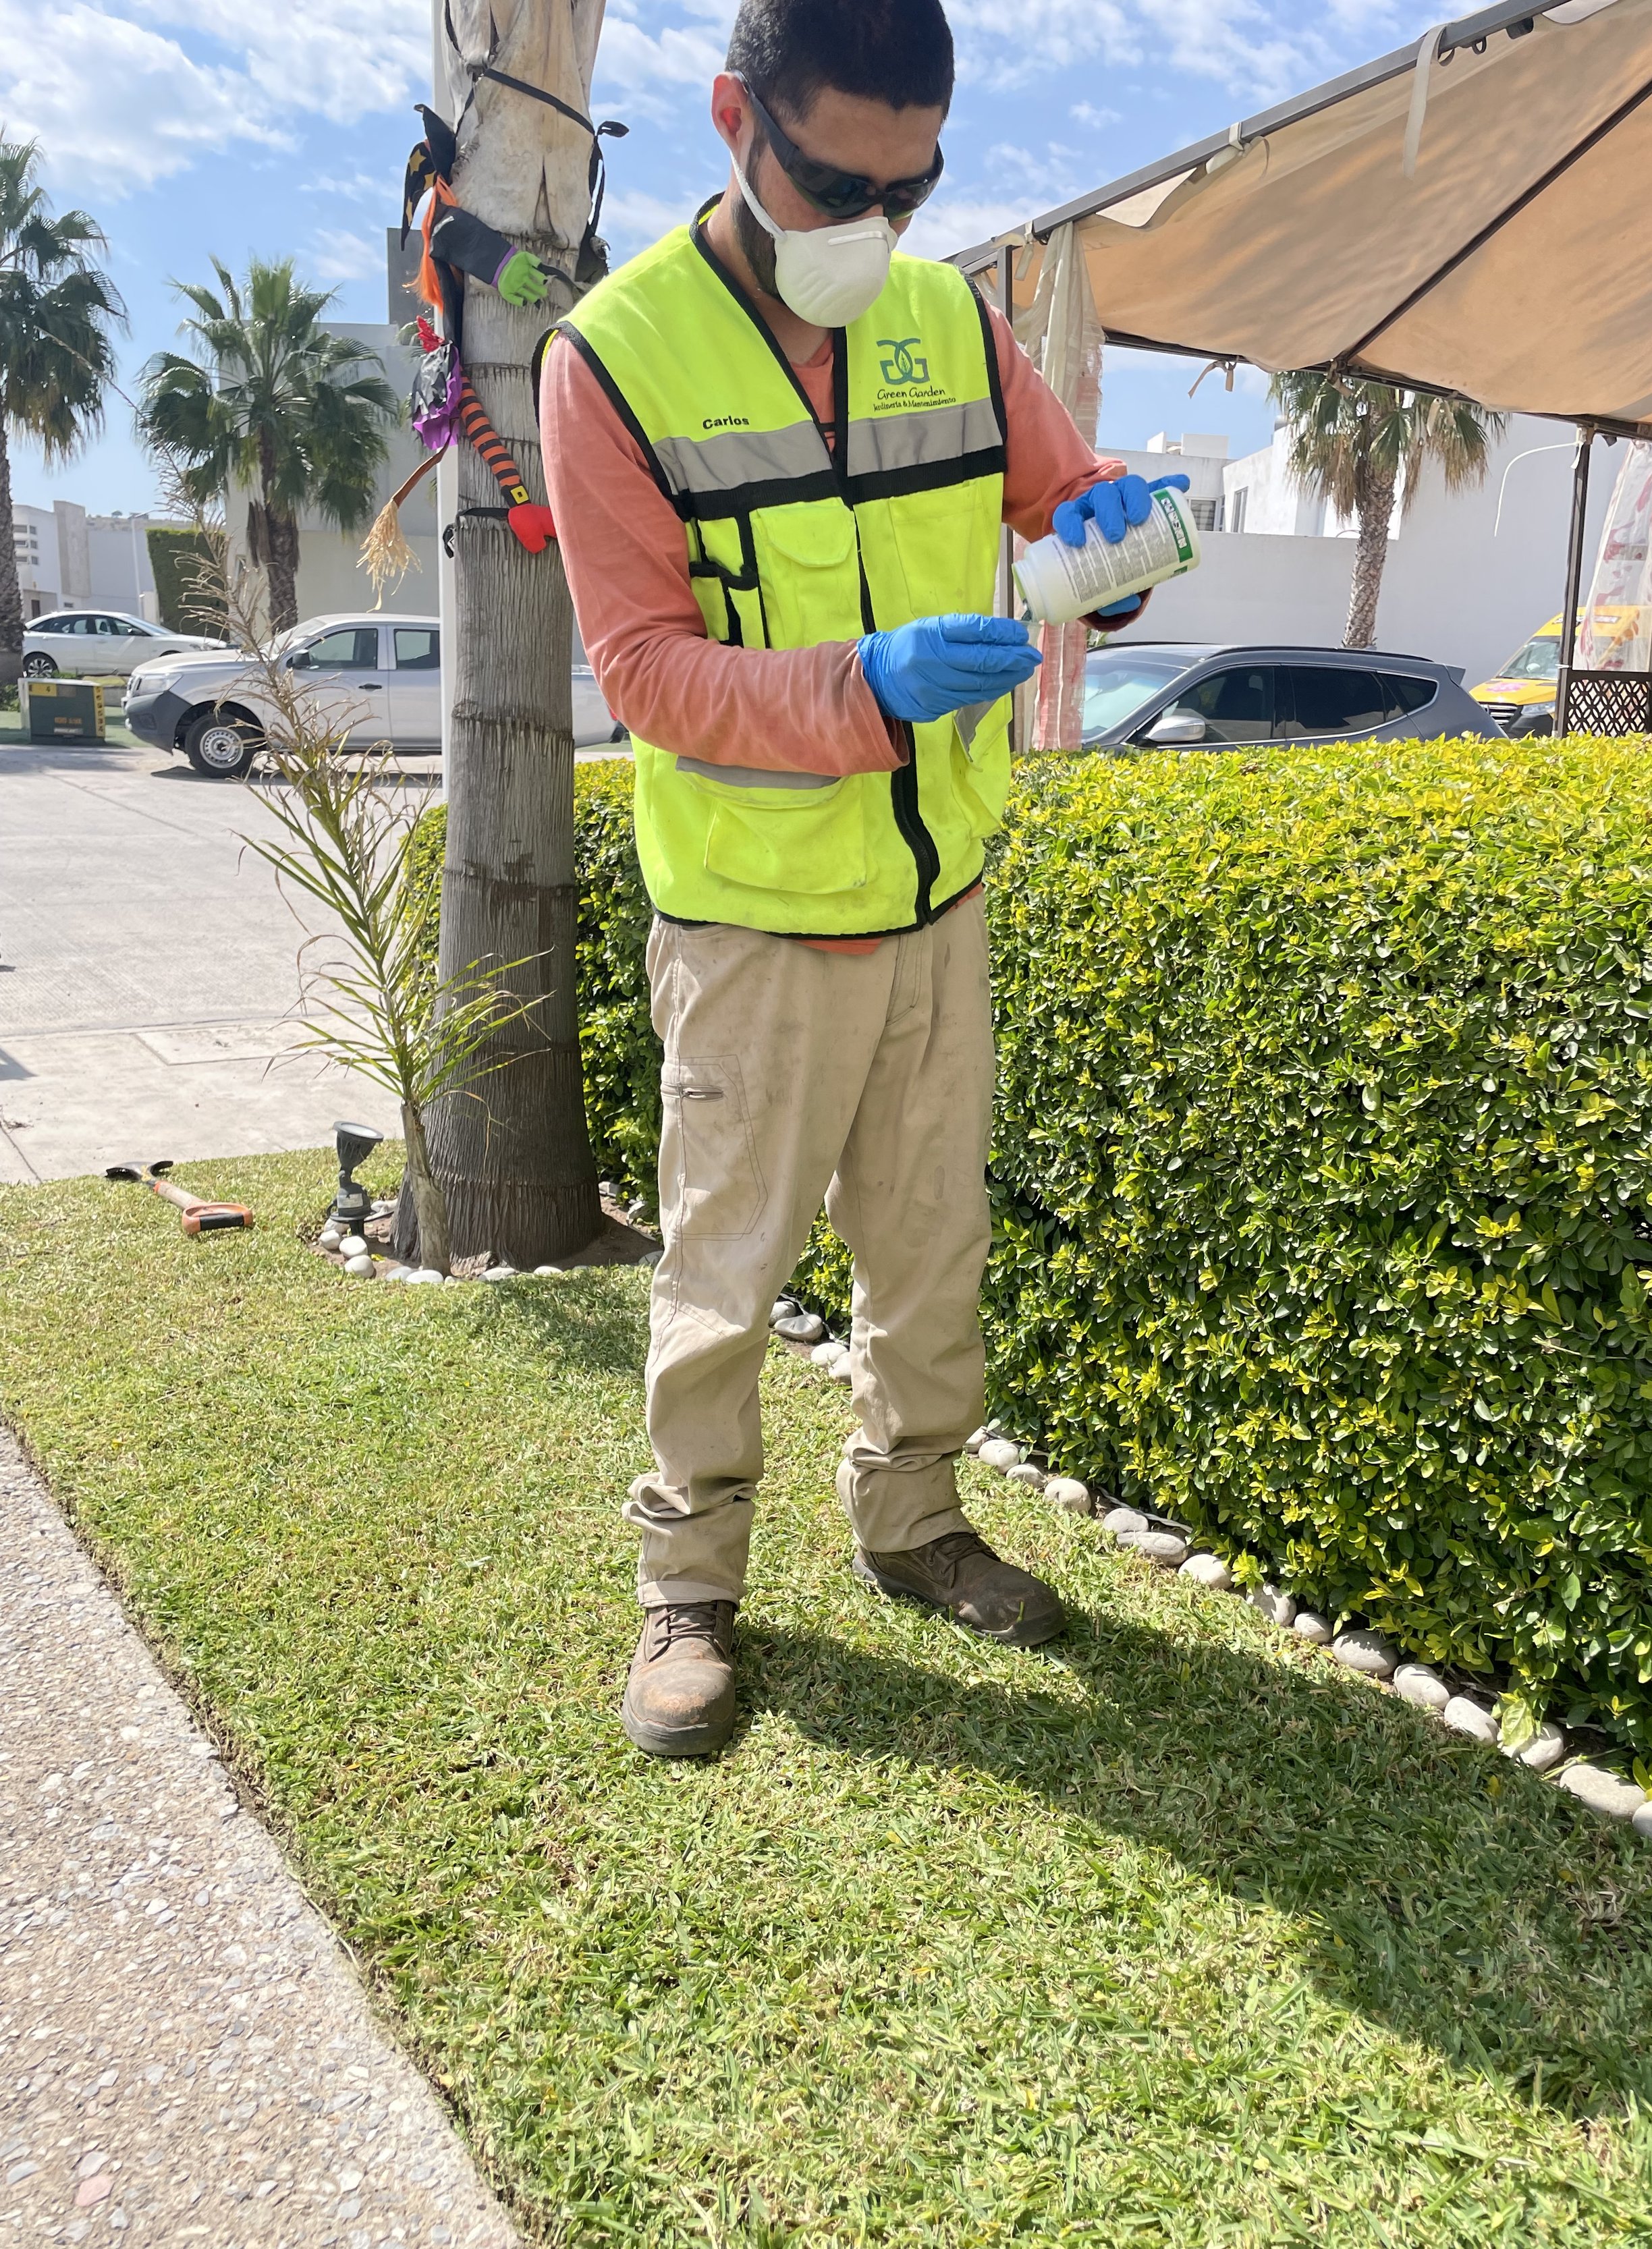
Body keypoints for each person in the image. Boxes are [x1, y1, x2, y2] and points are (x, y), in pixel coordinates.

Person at [539, 0, 1179, 1759]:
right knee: (722, 1273)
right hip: (747, 919)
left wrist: (1114, 549)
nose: (866, 226)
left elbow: (1071, 504)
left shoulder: (947, 318)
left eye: (909, 187)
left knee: (928, 1251)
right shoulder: (612, 357)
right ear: (735, 114)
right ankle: (688, 1592)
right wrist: (860, 688)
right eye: (832, 179)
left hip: (937, 897)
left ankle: (910, 1524)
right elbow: (645, 672)